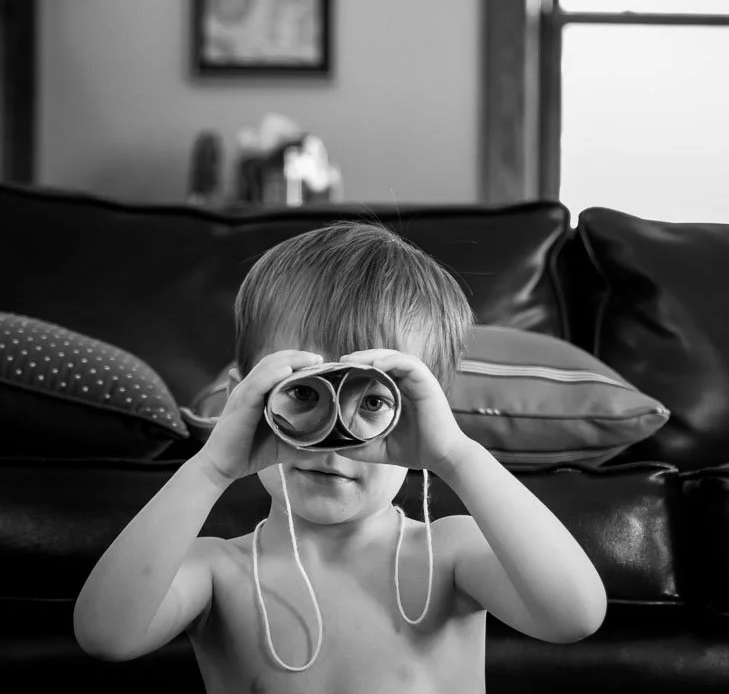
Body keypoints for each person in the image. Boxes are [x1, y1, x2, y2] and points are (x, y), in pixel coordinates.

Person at [73, 223, 608, 693]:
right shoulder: (219, 571)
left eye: (374, 402)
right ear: (246, 400)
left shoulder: (449, 555)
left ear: (422, 413)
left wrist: (455, 453)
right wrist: (211, 466)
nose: (336, 440)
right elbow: (105, 636)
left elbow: (574, 616)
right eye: (304, 395)